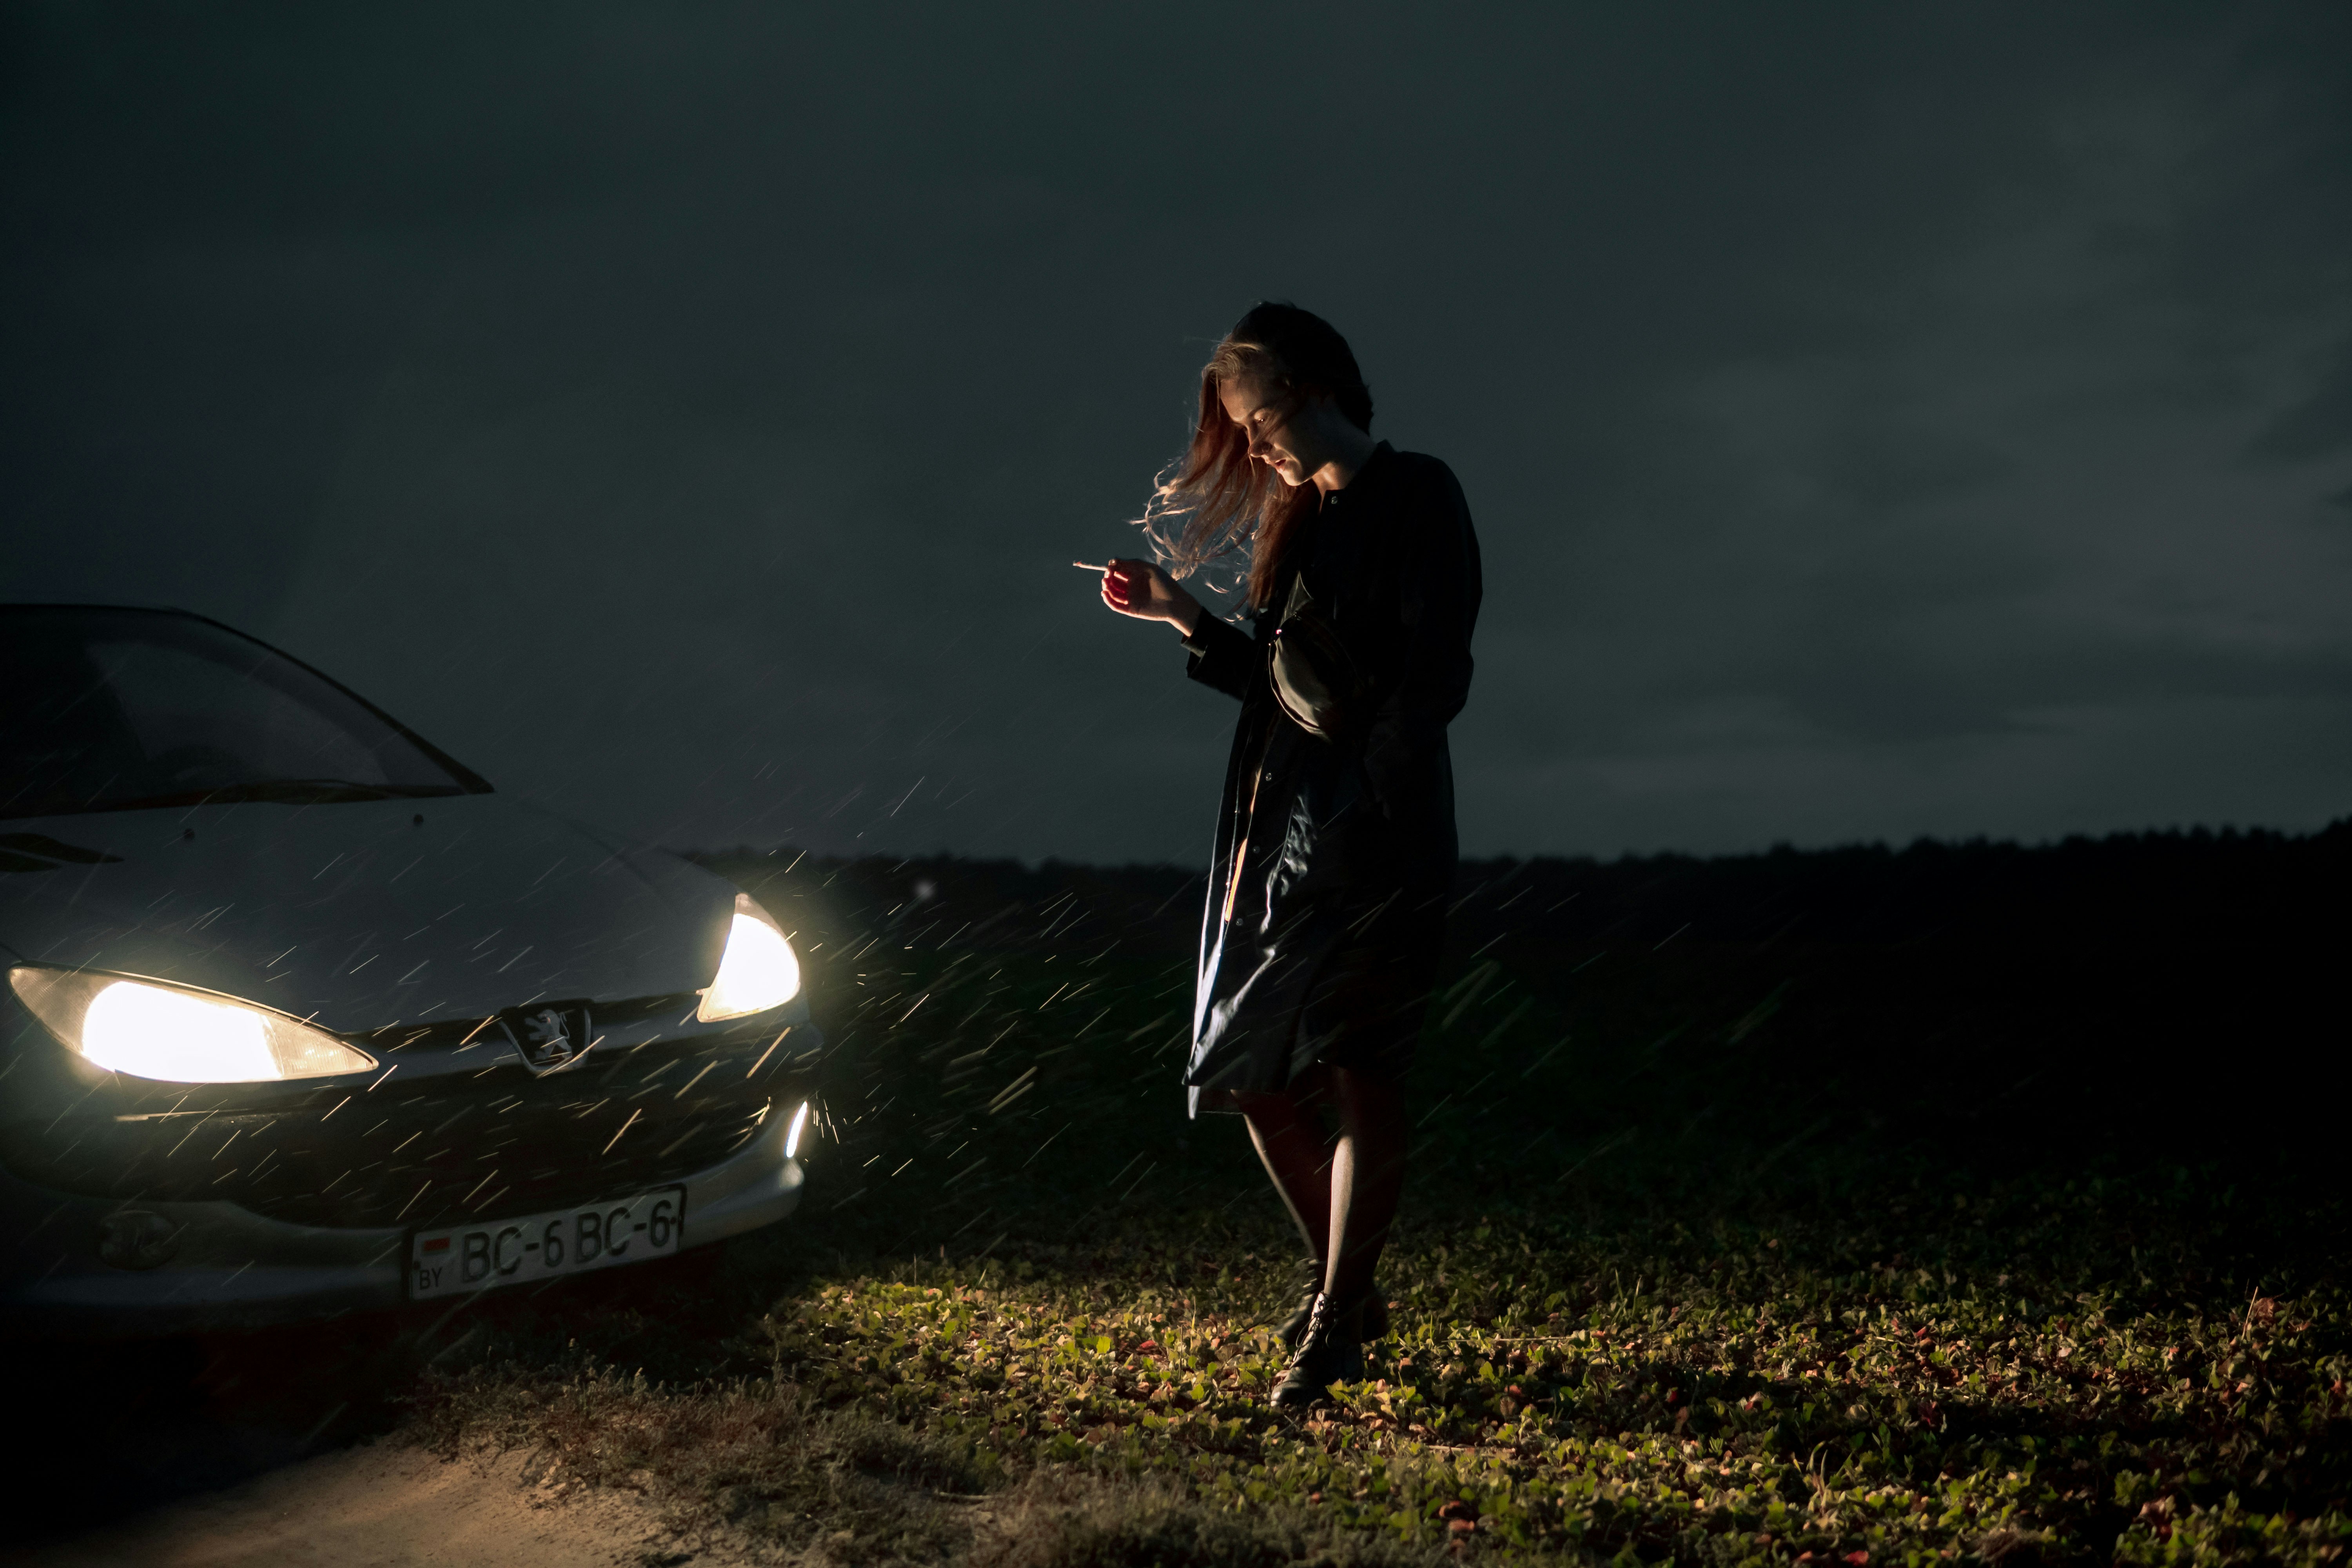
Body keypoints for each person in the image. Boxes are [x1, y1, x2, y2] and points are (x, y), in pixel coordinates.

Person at [1091, 301, 1481, 1408]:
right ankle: (1349, 1291)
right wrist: (1179, 617)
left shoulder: (1421, 495)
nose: (1252, 447)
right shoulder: (1299, 523)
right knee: (1249, 1073)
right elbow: (1277, 685)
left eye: (1256, 420)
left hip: (1381, 832)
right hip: (1279, 833)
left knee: (1360, 1067)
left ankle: (1332, 1319)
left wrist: (1372, 796)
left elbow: (1434, 680)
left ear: (1311, 392)